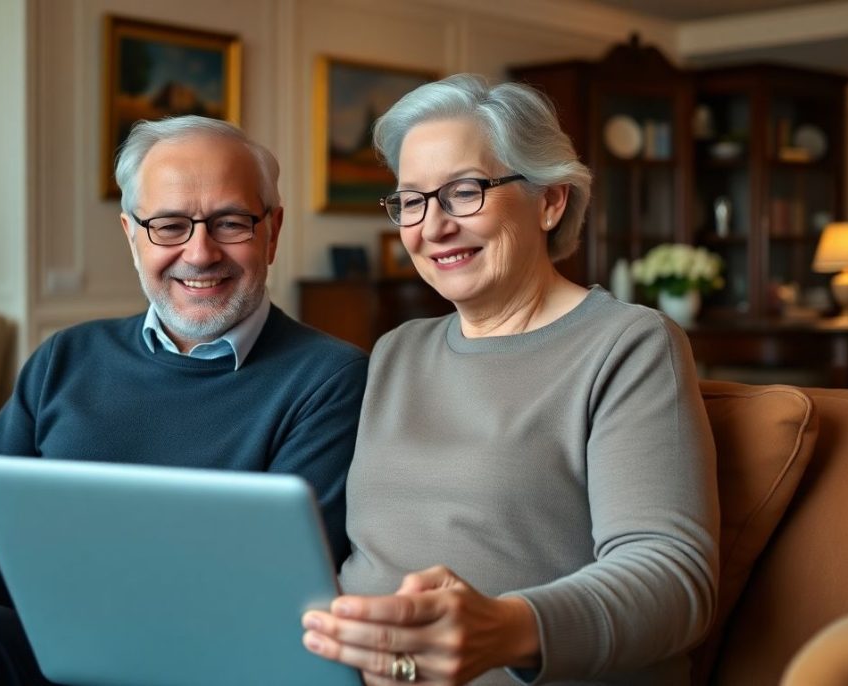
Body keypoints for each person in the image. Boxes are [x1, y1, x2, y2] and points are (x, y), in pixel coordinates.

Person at [0, 115, 368, 686]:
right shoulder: (69, 356)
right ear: (131, 235)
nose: (199, 252)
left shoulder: (329, 378)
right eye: (168, 225)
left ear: (273, 230)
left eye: (230, 223)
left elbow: (280, 579)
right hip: (48, 631)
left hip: (188, 644)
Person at [301, 74, 720, 685]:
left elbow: (673, 577)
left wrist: (506, 628)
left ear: (550, 201)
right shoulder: (397, 351)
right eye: (411, 200)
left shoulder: (628, 344)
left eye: (464, 191)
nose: (433, 226)